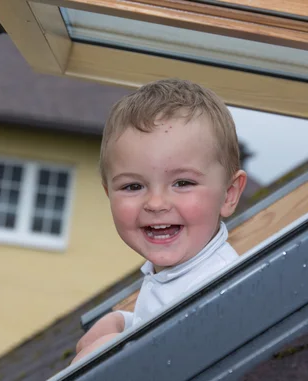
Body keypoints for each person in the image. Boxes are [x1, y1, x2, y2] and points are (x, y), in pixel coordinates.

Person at [72, 78, 247, 364]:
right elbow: (160, 321)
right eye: (132, 187)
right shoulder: (179, 273)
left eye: (182, 182)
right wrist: (123, 323)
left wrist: (111, 356)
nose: (155, 203)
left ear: (228, 194)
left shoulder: (221, 290)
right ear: (109, 194)